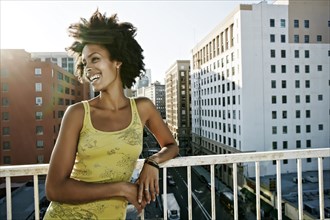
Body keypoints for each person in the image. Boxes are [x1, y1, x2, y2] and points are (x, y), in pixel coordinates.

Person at [43, 9, 179, 219]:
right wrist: (122, 189)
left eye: (95, 59)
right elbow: (54, 189)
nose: (89, 69)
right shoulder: (78, 113)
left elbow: (171, 146)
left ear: (118, 61)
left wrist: (152, 162)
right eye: (85, 63)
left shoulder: (143, 107)